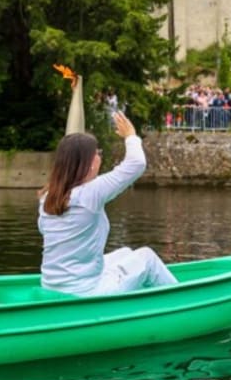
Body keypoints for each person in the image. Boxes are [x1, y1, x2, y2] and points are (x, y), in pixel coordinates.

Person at [38, 111, 177, 296]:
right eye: (98, 154)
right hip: (84, 291)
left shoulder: (46, 197)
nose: (99, 158)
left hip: (51, 285)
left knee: (125, 253)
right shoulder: (90, 193)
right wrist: (130, 136)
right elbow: (136, 163)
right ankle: (183, 300)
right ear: (89, 163)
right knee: (147, 258)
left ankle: (141, 299)